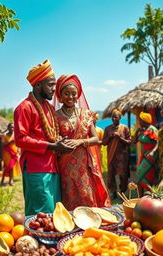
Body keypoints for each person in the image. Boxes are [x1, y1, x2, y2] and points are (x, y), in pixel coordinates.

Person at [14, 60, 74, 216]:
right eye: (51, 85)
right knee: (39, 214)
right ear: (38, 85)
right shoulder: (24, 107)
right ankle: (34, 241)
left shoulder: (49, 107)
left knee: (55, 213)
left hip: (52, 166)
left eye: (54, 85)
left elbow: (53, 134)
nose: (54, 89)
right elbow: (20, 139)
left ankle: (52, 240)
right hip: (36, 168)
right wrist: (53, 146)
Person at [54, 74, 111, 210]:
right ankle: (72, 228)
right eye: (66, 93)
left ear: (78, 95)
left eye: (74, 94)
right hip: (64, 164)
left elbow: (95, 139)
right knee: (68, 195)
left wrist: (80, 142)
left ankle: (90, 224)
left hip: (83, 163)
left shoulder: (86, 115)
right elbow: (54, 138)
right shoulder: (55, 116)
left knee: (86, 193)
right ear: (60, 95)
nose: (71, 97)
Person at [102, 109, 131, 199]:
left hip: (122, 156)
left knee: (123, 175)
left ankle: (122, 191)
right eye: (113, 117)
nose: (114, 118)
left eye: (116, 117)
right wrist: (110, 137)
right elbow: (104, 142)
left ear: (120, 118)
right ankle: (113, 192)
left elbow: (129, 142)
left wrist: (120, 138)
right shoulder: (107, 129)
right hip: (111, 155)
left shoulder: (124, 128)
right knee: (110, 175)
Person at [132, 112, 158, 196]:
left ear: (145, 121)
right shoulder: (142, 130)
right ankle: (140, 197)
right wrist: (137, 132)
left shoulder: (152, 129)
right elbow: (134, 142)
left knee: (146, 176)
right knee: (139, 177)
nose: (139, 121)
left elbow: (158, 142)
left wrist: (153, 152)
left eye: (140, 120)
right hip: (143, 156)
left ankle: (152, 195)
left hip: (150, 156)